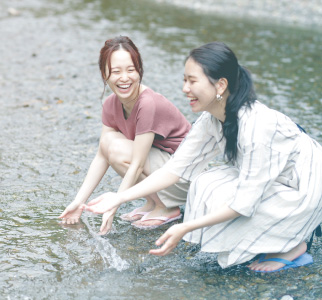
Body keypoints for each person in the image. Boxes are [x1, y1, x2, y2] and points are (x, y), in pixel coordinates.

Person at [84, 41, 322, 272]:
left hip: (304, 187)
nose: (184, 89)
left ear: (220, 86)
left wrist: (186, 227)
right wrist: (118, 198)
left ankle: (292, 243)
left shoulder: (257, 126)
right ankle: (267, 237)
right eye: (184, 80)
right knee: (205, 184)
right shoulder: (211, 118)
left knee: (229, 200)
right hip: (275, 179)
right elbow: (173, 169)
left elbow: (244, 203)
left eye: (192, 81)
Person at [59, 36, 191, 234]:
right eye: (116, 71)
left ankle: (167, 207)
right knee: (110, 143)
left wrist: (112, 207)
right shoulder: (111, 103)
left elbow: (136, 163)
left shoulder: (148, 104)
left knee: (120, 150)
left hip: (182, 177)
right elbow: (102, 154)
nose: (124, 78)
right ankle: (153, 202)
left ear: (140, 71)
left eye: (131, 70)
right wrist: (79, 201)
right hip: (162, 167)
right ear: (104, 74)